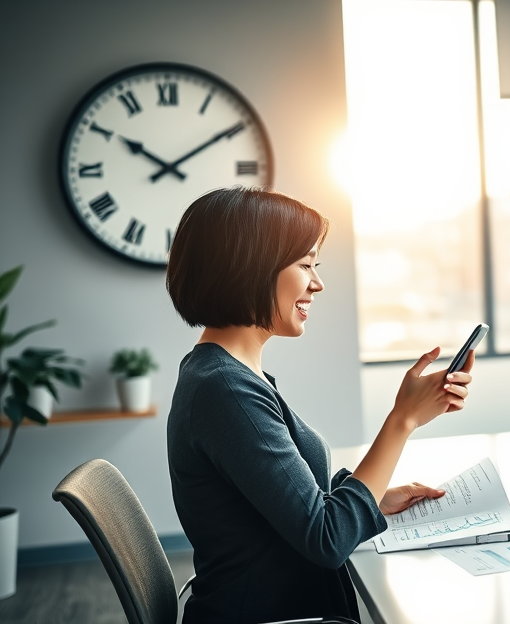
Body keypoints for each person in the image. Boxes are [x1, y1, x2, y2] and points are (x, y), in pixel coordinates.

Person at [165, 187, 473, 623]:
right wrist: (402, 420)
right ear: (250, 268)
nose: (318, 282)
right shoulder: (226, 390)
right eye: (306, 265)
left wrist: (375, 499)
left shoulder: (225, 376)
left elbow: (284, 503)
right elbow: (327, 539)